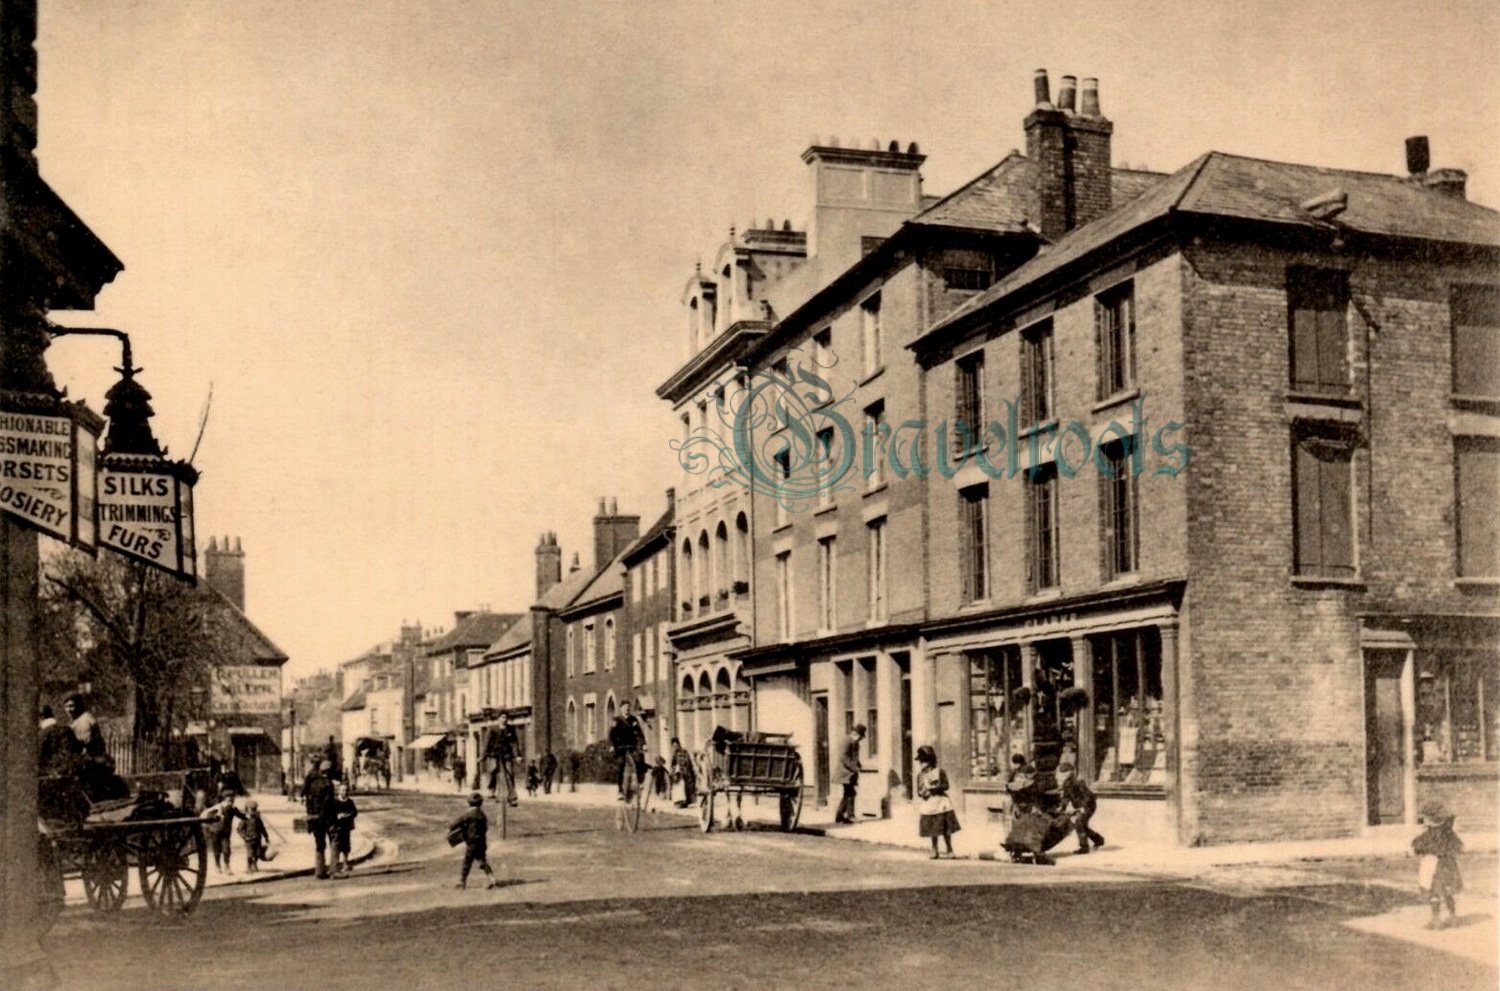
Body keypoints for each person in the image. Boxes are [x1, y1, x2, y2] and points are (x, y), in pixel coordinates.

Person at [1412, 803, 1463, 930]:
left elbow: (1417, 846)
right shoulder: (1449, 833)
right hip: (1449, 866)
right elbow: (1459, 846)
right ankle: (1453, 917)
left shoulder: (1428, 835)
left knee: (1434, 893)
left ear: (1429, 819)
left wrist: (1419, 850)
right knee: (1447, 892)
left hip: (1433, 866)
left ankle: (1436, 920)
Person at [915, 745, 960, 859]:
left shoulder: (940, 772)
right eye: (920, 761)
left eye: (923, 761)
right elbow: (918, 791)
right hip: (929, 803)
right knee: (932, 827)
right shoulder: (920, 775)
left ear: (930, 761)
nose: (921, 764)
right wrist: (922, 793)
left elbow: (946, 785)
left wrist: (934, 789)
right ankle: (934, 849)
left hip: (941, 801)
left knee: (945, 827)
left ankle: (949, 849)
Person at [450, 792, 500, 889]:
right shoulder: (482, 815)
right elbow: (485, 828)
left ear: (469, 803)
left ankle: (462, 882)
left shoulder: (469, 814)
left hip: (472, 843)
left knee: (467, 862)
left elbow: (454, 824)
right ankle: (492, 878)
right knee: (482, 860)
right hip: (481, 841)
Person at [1054, 761, 1105, 854]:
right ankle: (1099, 840)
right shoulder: (1066, 784)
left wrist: (1083, 807)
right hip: (1079, 806)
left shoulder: (1079, 782)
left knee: (1079, 823)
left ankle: (1084, 847)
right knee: (1082, 825)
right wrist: (1062, 807)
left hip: (1089, 805)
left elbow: (1087, 796)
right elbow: (1066, 797)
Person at [608, 701, 649, 802]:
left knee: (639, 760)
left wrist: (643, 744)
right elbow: (611, 734)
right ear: (621, 708)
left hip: (632, 746)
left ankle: (639, 782)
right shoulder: (616, 720)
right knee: (621, 764)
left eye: (628, 707)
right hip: (620, 747)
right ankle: (620, 790)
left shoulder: (633, 719)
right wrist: (612, 745)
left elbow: (639, 733)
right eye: (625, 707)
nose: (627, 709)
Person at [304, 759, 336, 880]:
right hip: (327, 818)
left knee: (319, 844)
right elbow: (327, 802)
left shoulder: (312, 784)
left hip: (315, 818)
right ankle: (334, 870)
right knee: (334, 841)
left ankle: (319, 870)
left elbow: (308, 801)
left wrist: (311, 815)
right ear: (328, 771)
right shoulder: (328, 784)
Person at [201, 791, 247, 874]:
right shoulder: (217, 808)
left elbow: (242, 816)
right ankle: (217, 866)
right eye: (229, 800)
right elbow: (206, 816)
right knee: (217, 850)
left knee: (226, 849)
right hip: (215, 832)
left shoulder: (233, 809)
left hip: (225, 834)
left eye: (232, 801)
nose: (231, 803)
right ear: (224, 800)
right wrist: (215, 817)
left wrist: (250, 815)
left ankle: (227, 866)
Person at [834, 723, 866, 824]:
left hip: (850, 773)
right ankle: (850, 816)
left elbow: (854, 757)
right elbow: (843, 757)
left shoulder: (855, 743)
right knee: (851, 793)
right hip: (845, 772)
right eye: (860, 737)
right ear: (855, 734)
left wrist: (859, 765)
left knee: (848, 793)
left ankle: (839, 816)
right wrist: (854, 767)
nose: (860, 740)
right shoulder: (846, 741)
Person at [486, 714, 520, 807]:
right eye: (502, 718)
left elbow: (514, 743)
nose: (504, 720)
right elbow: (488, 742)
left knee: (510, 774)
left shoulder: (510, 729)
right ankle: (491, 789)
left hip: (507, 754)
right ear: (498, 719)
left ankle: (512, 798)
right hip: (495, 754)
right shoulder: (493, 729)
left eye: (506, 718)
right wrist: (484, 754)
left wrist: (517, 755)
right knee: (493, 770)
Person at [38, 704, 78, 776]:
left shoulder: (42, 734)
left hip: (50, 774)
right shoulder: (66, 730)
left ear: (40, 718)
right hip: (70, 772)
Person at [330, 781, 359, 876]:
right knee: (338, 845)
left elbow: (355, 812)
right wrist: (337, 816)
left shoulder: (350, 802)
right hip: (338, 827)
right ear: (339, 791)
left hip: (347, 827)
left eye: (346, 790)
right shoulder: (335, 802)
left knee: (346, 845)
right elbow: (332, 813)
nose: (344, 792)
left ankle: (345, 862)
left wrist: (349, 815)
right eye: (342, 790)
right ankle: (337, 864)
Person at [63, 694, 106, 758]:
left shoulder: (85, 720)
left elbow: (84, 745)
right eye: (66, 707)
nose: (69, 710)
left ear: (78, 706)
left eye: (71, 706)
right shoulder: (75, 720)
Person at [238, 798, 272, 872]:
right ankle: (248, 866)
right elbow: (240, 830)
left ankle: (254, 865)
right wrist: (245, 837)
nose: (253, 811)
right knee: (250, 854)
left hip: (257, 839)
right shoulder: (244, 820)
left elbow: (262, 828)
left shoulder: (257, 820)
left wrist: (266, 837)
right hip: (249, 840)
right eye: (252, 809)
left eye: (255, 809)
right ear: (247, 809)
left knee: (257, 853)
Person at [669, 737, 696, 808]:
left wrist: (683, 770)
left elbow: (687, 762)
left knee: (683, 787)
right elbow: (673, 763)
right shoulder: (675, 753)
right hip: (677, 773)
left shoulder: (683, 752)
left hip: (684, 773)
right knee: (678, 789)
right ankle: (680, 802)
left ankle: (684, 802)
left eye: (676, 745)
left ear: (678, 744)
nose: (675, 747)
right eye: (673, 745)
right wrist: (673, 770)